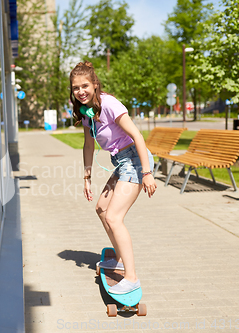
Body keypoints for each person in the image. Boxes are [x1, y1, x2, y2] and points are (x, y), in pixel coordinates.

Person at [70, 61, 157, 295]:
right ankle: (118, 259)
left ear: (95, 84)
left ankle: (131, 278)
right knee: (101, 209)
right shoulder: (87, 111)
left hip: (136, 161)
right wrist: (86, 178)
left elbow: (137, 136)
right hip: (121, 162)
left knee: (114, 217)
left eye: (85, 85)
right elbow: (88, 145)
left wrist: (147, 173)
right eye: (76, 87)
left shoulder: (109, 104)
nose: (81, 91)